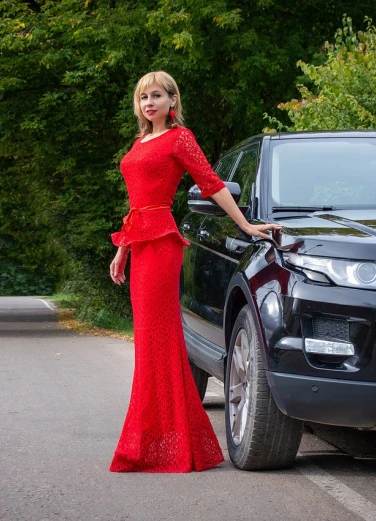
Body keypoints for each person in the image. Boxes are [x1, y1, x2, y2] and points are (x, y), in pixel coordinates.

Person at [108, 71, 281, 473]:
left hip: (163, 248)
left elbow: (211, 183)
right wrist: (122, 249)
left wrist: (245, 225)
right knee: (150, 342)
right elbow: (135, 205)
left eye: (156, 96)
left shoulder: (179, 139)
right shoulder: (139, 142)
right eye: (143, 98)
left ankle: (166, 444)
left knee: (159, 339)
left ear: (172, 101)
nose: (148, 103)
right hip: (139, 244)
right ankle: (165, 441)